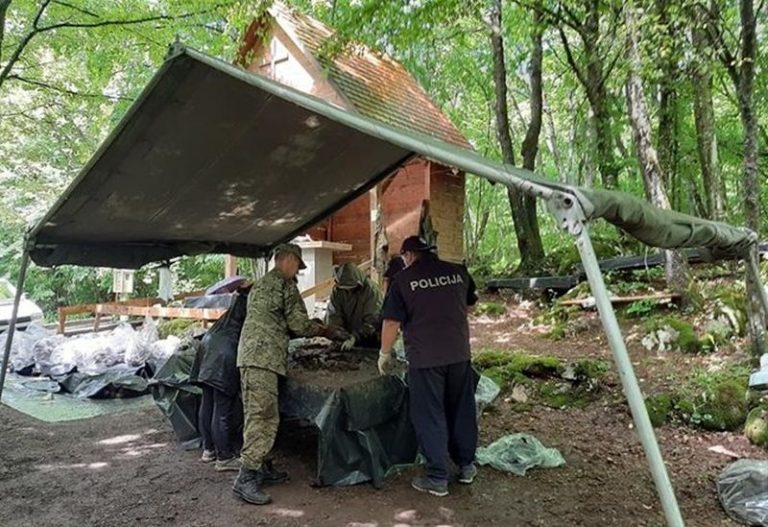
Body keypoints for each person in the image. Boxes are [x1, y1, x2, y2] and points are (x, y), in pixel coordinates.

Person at [233, 243, 348, 505]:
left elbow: (279, 321)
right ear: (288, 260)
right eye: (297, 265)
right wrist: (325, 331)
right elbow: (298, 325)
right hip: (263, 359)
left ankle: (261, 467)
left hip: (252, 357)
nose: (298, 271)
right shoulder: (285, 286)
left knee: (260, 413)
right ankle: (246, 477)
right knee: (262, 417)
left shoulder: (260, 284)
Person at [378, 235, 478, 497]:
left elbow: (390, 322)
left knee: (430, 414)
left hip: (425, 359)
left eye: (404, 258)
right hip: (459, 354)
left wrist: (384, 354)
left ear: (409, 255)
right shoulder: (458, 272)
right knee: (461, 410)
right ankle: (466, 466)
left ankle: (437, 477)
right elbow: (469, 304)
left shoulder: (403, 281)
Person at [326, 263, 383, 350]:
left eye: (350, 288)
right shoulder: (337, 291)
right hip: (346, 338)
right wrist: (338, 334)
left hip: (370, 340)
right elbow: (334, 316)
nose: (348, 291)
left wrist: (355, 337)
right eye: (344, 289)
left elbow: (373, 320)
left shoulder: (372, 291)